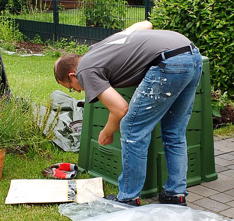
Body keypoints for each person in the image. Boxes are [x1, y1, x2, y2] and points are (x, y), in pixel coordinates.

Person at [54, 21, 203, 207]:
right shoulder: (102, 47)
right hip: (192, 55)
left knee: (133, 130)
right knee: (174, 132)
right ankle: (175, 194)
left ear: (72, 75)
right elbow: (146, 25)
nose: (76, 91)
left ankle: (128, 198)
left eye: (70, 88)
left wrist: (108, 131)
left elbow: (120, 108)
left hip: (168, 64)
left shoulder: (85, 70)